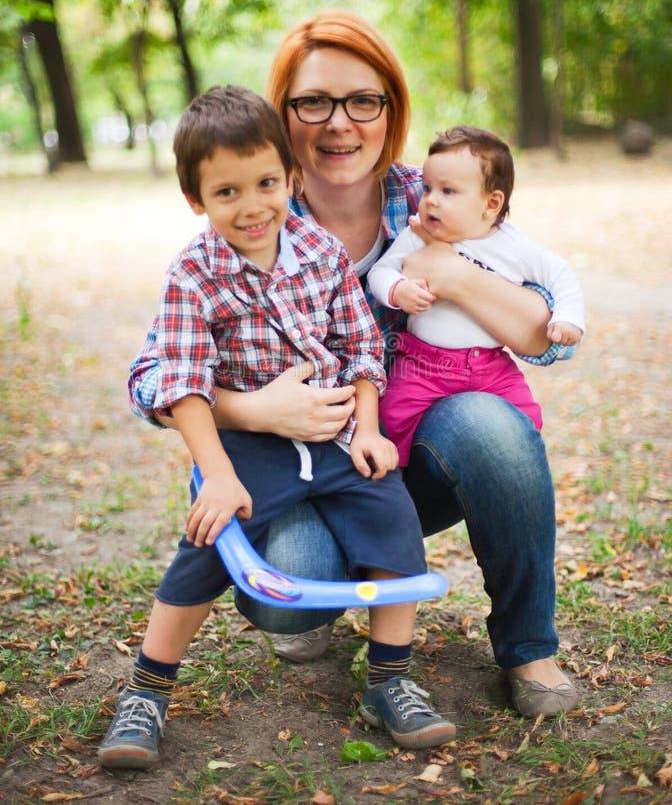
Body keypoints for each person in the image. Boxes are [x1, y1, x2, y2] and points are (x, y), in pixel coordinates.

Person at [128, 11, 580, 721]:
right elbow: (151, 376)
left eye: (362, 101)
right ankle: (318, 588)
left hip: (404, 451)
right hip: (295, 459)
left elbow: (545, 339)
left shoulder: (434, 198)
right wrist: (248, 410)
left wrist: (448, 272)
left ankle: (527, 646)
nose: (339, 123)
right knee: (293, 595)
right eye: (314, 102)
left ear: (390, 109)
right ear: (284, 115)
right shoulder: (250, 210)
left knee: (493, 428)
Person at [98, 85, 457, 770]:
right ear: (196, 200)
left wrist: (372, 430)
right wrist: (220, 475)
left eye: (266, 182)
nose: (253, 205)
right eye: (227, 192)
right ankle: (146, 690)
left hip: (332, 431)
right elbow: (182, 381)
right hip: (249, 446)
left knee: (394, 518)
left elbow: (360, 347)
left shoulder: (318, 251)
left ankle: (390, 679)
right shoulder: (194, 274)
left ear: (290, 180)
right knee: (208, 543)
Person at [368, 125, 584, 466]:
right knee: (393, 418)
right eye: (427, 188)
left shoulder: (512, 245)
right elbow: (380, 273)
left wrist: (567, 318)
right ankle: (400, 484)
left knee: (522, 426)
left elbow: (561, 275)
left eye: (448, 191)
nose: (430, 200)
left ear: (491, 203)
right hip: (422, 364)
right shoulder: (417, 235)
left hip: (489, 366)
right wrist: (398, 290)